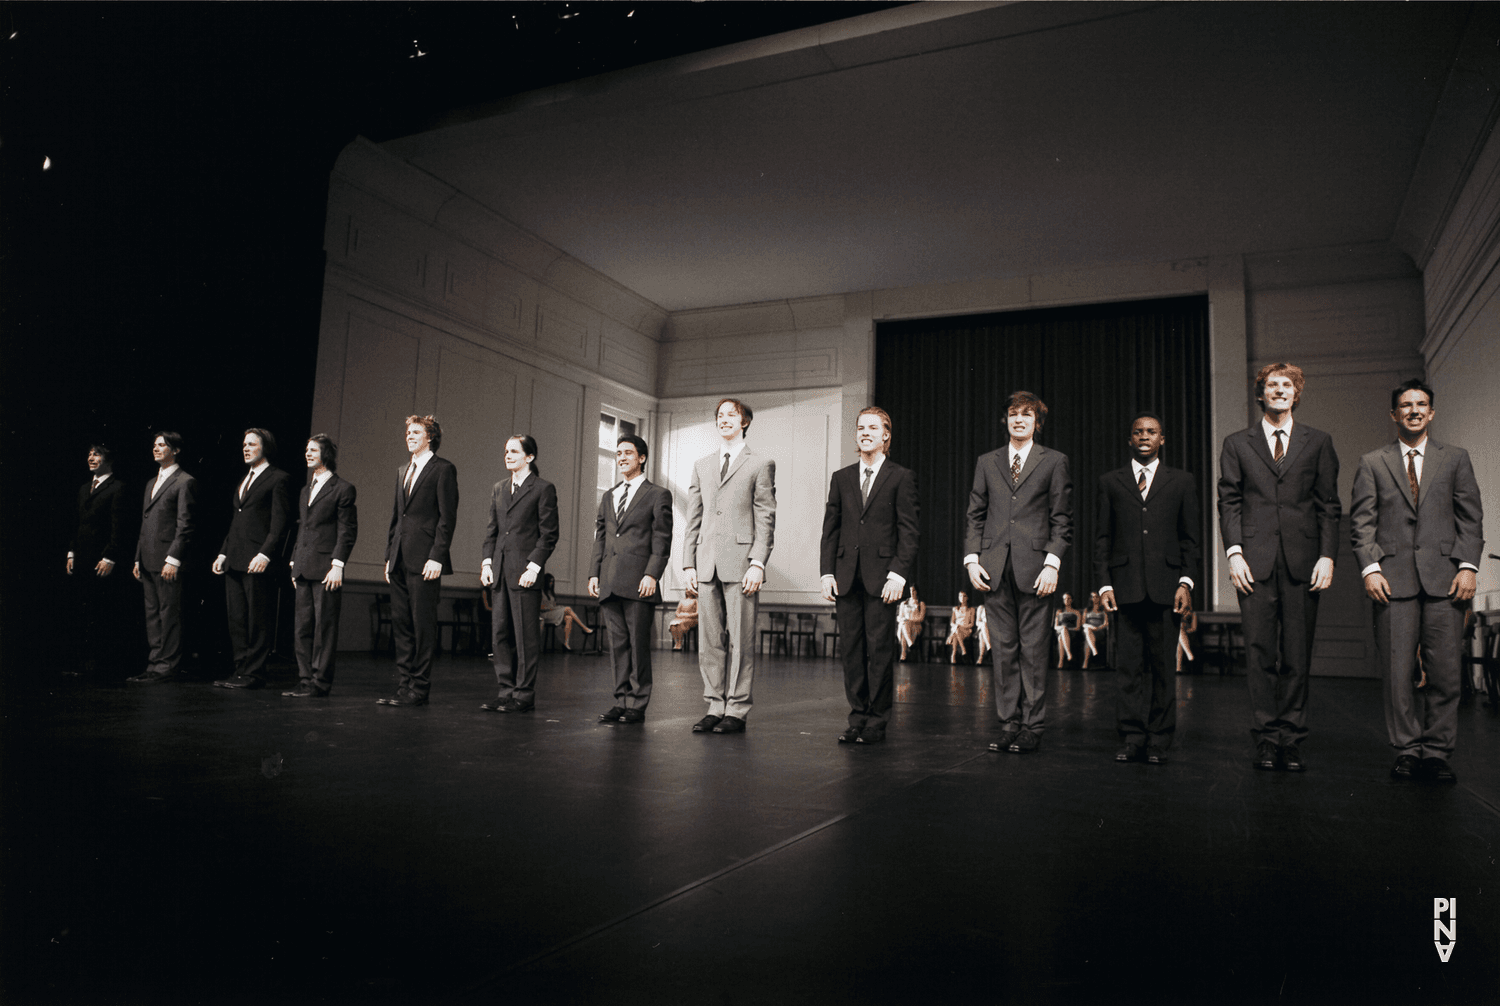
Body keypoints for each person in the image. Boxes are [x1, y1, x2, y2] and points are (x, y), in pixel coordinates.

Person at [1351, 379, 1484, 784]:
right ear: (1394, 414)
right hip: (1391, 582)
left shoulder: (1456, 458)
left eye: (1421, 404)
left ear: (1431, 411)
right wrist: (1370, 568)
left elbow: (1470, 519)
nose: (1413, 411)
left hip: (1447, 579)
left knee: (1445, 673)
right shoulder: (1373, 462)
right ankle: (1408, 749)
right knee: (1397, 674)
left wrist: (1468, 566)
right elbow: (1362, 523)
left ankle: (1438, 752)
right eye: (1405, 405)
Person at [1218, 363, 1340, 772]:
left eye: (1287, 385)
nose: (1279, 390)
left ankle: (1292, 737)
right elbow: (1229, 501)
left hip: (1305, 561)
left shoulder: (1319, 442)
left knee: (1297, 654)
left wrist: (1327, 555)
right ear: (1261, 393)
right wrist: (1234, 553)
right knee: (1259, 654)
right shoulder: (1237, 443)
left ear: (1296, 393)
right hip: (1253, 562)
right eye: (1272, 385)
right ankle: (1267, 739)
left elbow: (1328, 505)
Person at [966, 391, 1073, 755]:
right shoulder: (987, 461)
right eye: (1013, 414)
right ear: (1006, 420)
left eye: (1026, 414)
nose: (1019, 419)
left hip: (1036, 569)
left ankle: (1032, 725)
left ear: (1036, 422)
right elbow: (975, 514)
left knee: (1033, 652)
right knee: (1004, 652)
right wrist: (971, 559)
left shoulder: (1054, 461)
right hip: (993, 568)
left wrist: (1052, 564)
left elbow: (1062, 520)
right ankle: (1009, 724)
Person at [1096, 412, 1201, 764]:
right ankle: (1131, 736)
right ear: (1130, 439)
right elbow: (1102, 538)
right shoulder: (1111, 481)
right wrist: (1104, 583)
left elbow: (1190, 539)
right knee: (1127, 668)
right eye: (1138, 432)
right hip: (1124, 588)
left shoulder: (1182, 481)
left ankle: (1158, 738)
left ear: (1162, 439)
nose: (1144, 436)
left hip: (1166, 589)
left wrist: (1186, 582)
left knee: (1161, 668)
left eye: (1152, 431)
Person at [819, 406, 919, 744]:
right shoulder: (841, 477)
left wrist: (898, 576)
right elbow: (830, 530)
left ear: (886, 435)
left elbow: (909, 532)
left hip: (883, 578)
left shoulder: (900, 476)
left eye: (873, 428)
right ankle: (857, 717)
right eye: (861, 427)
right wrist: (826, 572)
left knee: (878, 651)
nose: (865, 432)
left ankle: (877, 720)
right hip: (846, 576)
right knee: (851, 650)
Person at [684, 397, 776, 735]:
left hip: (741, 564)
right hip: (706, 562)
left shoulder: (760, 462)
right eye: (720, 415)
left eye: (731, 415)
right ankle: (714, 704)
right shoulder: (702, 465)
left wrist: (758, 562)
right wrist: (688, 563)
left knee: (741, 639)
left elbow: (766, 515)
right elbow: (694, 517)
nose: (724, 420)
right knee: (709, 641)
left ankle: (736, 708)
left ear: (745, 421)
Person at [590, 434, 673, 724]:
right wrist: (594, 573)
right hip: (609, 580)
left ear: (642, 458)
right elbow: (601, 538)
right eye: (618, 453)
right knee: (618, 647)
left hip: (640, 581)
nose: (621, 457)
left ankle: (637, 704)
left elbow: (662, 538)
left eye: (628, 452)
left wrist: (653, 574)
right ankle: (621, 700)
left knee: (638, 647)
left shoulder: (657, 494)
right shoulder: (608, 495)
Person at [380, 415, 459, 707]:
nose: (409, 436)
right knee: (401, 624)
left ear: (430, 437)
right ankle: (404, 686)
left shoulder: (443, 469)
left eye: (415, 432)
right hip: (399, 557)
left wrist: (437, 556)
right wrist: (389, 556)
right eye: (407, 432)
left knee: (422, 625)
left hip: (426, 558)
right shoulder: (403, 470)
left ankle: (420, 688)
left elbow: (446, 518)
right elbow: (396, 518)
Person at [480, 434, 558, 714]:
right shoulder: (499, 488)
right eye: (505, 451)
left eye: (514, 451)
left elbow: (549, 535)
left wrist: (534, 567)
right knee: (499, 633)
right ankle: (505, 691)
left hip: (525, 572)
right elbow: (492, 531)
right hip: (500, 571)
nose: (508, 455)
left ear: (529, 457)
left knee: (525, 637)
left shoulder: (542, 488)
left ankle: (523, 694)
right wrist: (487, 563)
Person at [212, 428, 293, 690]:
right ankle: (240, 670)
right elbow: (237, 521)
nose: (245, 448)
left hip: (257, 559)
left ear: (265, 447)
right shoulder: (244, 479)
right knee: (237, 618)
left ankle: (254, 673)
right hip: (235, 557)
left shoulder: (278, 478)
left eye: (252, 444)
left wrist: (265, 554)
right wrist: (223, 551)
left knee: (257, 619)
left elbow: (279, 524)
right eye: (244, 444)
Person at [284, 435, 357, 698]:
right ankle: (305, 680)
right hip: (303, 566)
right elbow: (303, 528)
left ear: (326, 454)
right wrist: (294, 560)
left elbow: (347, 530)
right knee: (302, 627)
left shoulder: (342, 488)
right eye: (306, 449)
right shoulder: (306, 489)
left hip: (326, 567)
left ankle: (319, 682)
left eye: (313, 450)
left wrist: (338, 564)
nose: (307, 453)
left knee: (323, 628)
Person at [128, 432, 197, 684]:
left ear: (175, 450)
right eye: (154, 445)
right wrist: (137, 557)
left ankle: (167, 666)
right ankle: (154, 663)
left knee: (169, 614)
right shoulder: (150, 482)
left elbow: (185, 525)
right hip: (147, 558)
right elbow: (145, 523)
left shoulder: (184, 481)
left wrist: (174, 559)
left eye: (162, 445)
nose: (156, 448)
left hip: (167, 560)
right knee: (153, 614)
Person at [66, 443, 133, 677]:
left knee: (102, 610)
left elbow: (119, 527)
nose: (91, 458)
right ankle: (83, 662)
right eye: (89, 454)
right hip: (82, 558)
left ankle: (102, 664)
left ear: (108, 459)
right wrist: (71, 552)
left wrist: (110, 556)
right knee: (82, 610)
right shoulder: (85, 488)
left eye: (97, 454)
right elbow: (76, 523)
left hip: (101, 559)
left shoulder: (118, 487)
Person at [539, 574, 593, 650]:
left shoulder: (551, 593)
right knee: (567, 608)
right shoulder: (541, 592)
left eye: (552, 582)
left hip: (552, 614)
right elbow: (541, 607)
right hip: (545, 614)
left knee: (569, 618)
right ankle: (583, 627)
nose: (551, 583)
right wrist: (555, 608)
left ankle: (566, 643)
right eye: (550, 581)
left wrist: (556, 608)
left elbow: (553, 606)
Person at [896, 587, 926, 661]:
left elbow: (921, 618)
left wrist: (910, 620)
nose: (912, 593)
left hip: (916, 626)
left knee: (904, 628)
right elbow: (899, 617)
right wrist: (905, 620)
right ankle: (910, 644)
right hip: (904, 625)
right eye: (910, 591)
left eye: (913, 591)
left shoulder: (920, 604)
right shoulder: (903, 603)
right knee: (904, 625)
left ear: (916, 591)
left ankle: (903, 655)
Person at [1052, 592, 1081, 668]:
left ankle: (1060, 662)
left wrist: (1066, 629)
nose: (1066, 600)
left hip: (1072, 632)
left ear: (1072, 600)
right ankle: (1068, 654)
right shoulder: (1059, 611)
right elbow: (1055, 626)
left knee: (1060, 638)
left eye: (1068, 598)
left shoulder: (1076, 612)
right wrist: (1063, 628)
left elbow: (1078, 627)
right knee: (1062, 630)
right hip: (1059, 630)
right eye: (1064, 599)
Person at [948, 591, 977, 664]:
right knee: (957, 631)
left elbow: (972, 624)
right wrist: (956, 626)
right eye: (960, 596)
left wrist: (962, 627)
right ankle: (963, 650)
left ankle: (953, 655)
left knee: (956, 633)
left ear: (967, 598)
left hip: (966, 629)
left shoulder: (971, 609)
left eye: (964, 596)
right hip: (957, 629)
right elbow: (952, 622)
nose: (962, 598)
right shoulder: (955, 608)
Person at [1081, 592, 1108, 669]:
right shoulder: (1087, 610)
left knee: (1087, 639)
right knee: (1087, 630)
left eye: (1096, 597)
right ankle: (1094, 650)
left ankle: (1085, 663)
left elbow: (1106, 623)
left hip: (1099, 631)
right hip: (1089, 630)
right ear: (1091, 599)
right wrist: (1090, 627)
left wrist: (1098, 628)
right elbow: (1083, 623)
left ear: (1099, 598)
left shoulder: (1103, 610)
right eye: (1093, 597)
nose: (1095, 598)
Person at [1175, 609, 1199, 674]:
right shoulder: (1177, 612)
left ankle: (1178, 668)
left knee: (1179, 641)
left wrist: (1186, 631)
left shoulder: (1193, 613)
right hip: (1176, 635)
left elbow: (1194, 628)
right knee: (1179, 636)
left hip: (1188, 635)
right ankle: (1188, 652)